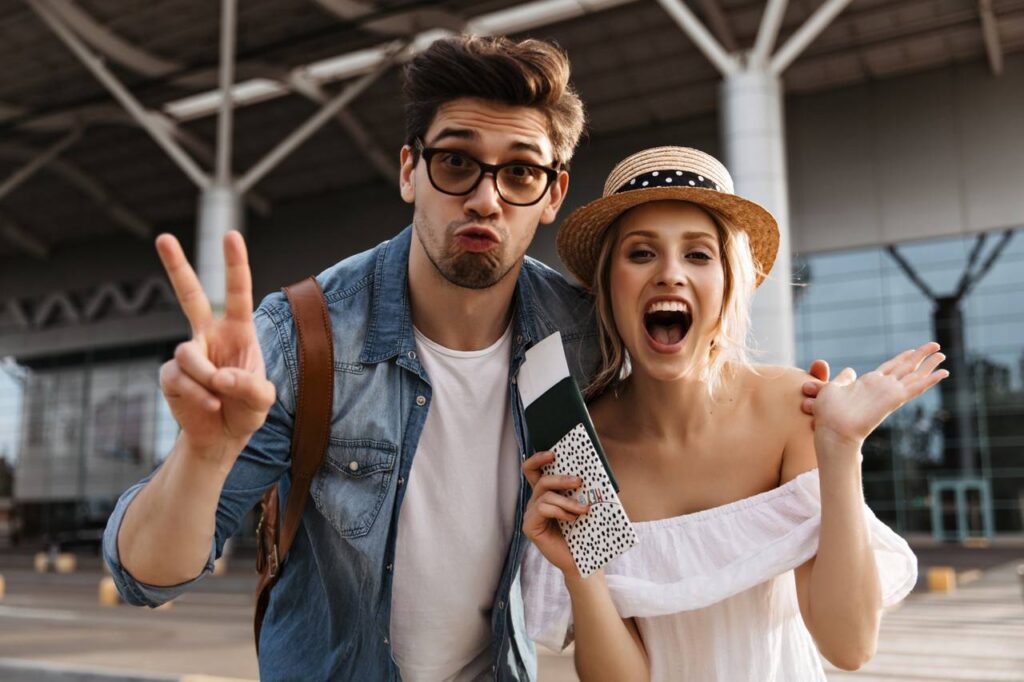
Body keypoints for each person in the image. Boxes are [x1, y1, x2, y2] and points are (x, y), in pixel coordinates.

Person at [103, 37, 825, 679]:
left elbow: (679, 418)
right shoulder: (304, 338)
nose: (485, 198)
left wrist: (822, 429)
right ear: (410, 171)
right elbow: (147, 579)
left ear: (552, 194)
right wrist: (202, 455)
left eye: (519, 173)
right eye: (456, 162)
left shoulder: (583, 340)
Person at [520, 146, 947, 681]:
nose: (670, 275)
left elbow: (849, 645)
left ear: (729, 284)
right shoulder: (580, 446)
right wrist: (579, 571)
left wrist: (841, 449)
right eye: (641, 253)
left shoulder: (795, 409)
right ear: (608, 285)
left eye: (699, 255)